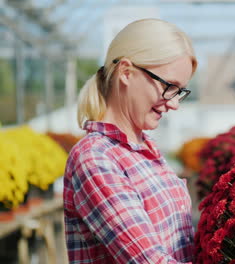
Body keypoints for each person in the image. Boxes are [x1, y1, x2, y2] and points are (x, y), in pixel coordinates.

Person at [63, 19, 197, 264]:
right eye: (169, 86)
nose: (174, 103)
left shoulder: (144, 150)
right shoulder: (96, 158)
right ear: (126, 72)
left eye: (180, 92)